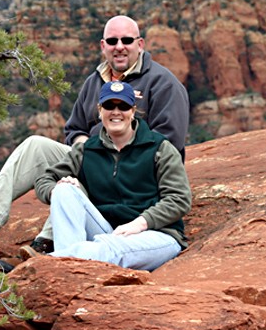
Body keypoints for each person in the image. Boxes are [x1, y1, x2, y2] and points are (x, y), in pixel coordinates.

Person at [0, 15, 190, 256]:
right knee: (35, 146)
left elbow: (169, 141)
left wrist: (107, 157)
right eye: (112, 41)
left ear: (140, 44)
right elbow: (74, 129)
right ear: (103, 46)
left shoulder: (163, 83)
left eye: (127, 40)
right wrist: (88, 153)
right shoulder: (94, 81)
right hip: (97, 158)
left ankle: (48, 242)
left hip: (137, 172)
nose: (119, 46)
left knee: (80, 178)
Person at [19, 81, 191, 271]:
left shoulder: (159, 147)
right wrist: (55, 190)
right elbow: (45, 179)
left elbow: (179, 199)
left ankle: (49, 263)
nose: (116, 112)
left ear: (133, 110)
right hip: (107, 231)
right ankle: (67, 265)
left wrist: (141, 223)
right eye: (109, 106)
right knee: (64, 189)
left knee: (109, 249)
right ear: (100, 111)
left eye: (123, 106)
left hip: (154, 234)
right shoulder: (87, 149)